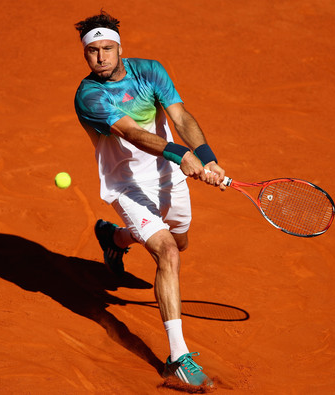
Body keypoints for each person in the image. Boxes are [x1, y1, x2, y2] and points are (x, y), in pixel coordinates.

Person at [73, 11, 226, 388]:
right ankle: (178, 358)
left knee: (180, 243)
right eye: (92, 51)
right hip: (126, 186)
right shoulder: (88, 95)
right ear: (85, 54)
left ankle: (115, 238)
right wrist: (180, 154)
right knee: (166, 252)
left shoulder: (151, 71)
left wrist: (207, 157)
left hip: (168, 179)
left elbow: (181, 116)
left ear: (120, 47)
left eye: (107, 48)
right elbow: (132, 133)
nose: (101, 57)